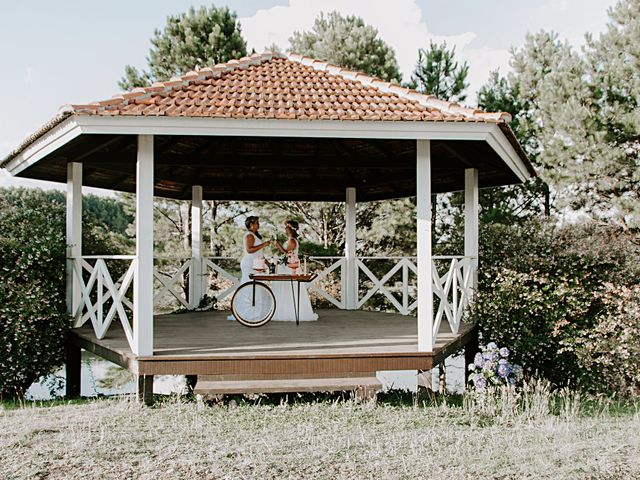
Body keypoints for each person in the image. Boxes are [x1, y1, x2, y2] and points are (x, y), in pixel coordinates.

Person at [271, 220, 318, 321]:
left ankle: (290, 312)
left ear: (290, 229)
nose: (284, 229)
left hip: (291, 268)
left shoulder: (292, 241)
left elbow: (287, 254)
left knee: (289, 290)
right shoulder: (290, 240)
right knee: (287, 290)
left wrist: (277, 245)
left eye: (286, 227)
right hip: (287, 267)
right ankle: (284, 310)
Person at [229, 216, 272, 321]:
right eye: (257, 222)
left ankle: (257, 311)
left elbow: (259, 253)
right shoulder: (249, 235)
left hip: (257, 263)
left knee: (257, 287)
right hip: (249, 264)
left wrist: (268, 263)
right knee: (249, 286)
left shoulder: (255, 235)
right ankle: (247, 312)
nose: (259, 224)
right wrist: (264, 244)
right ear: (251, 224)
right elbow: (249, 250)